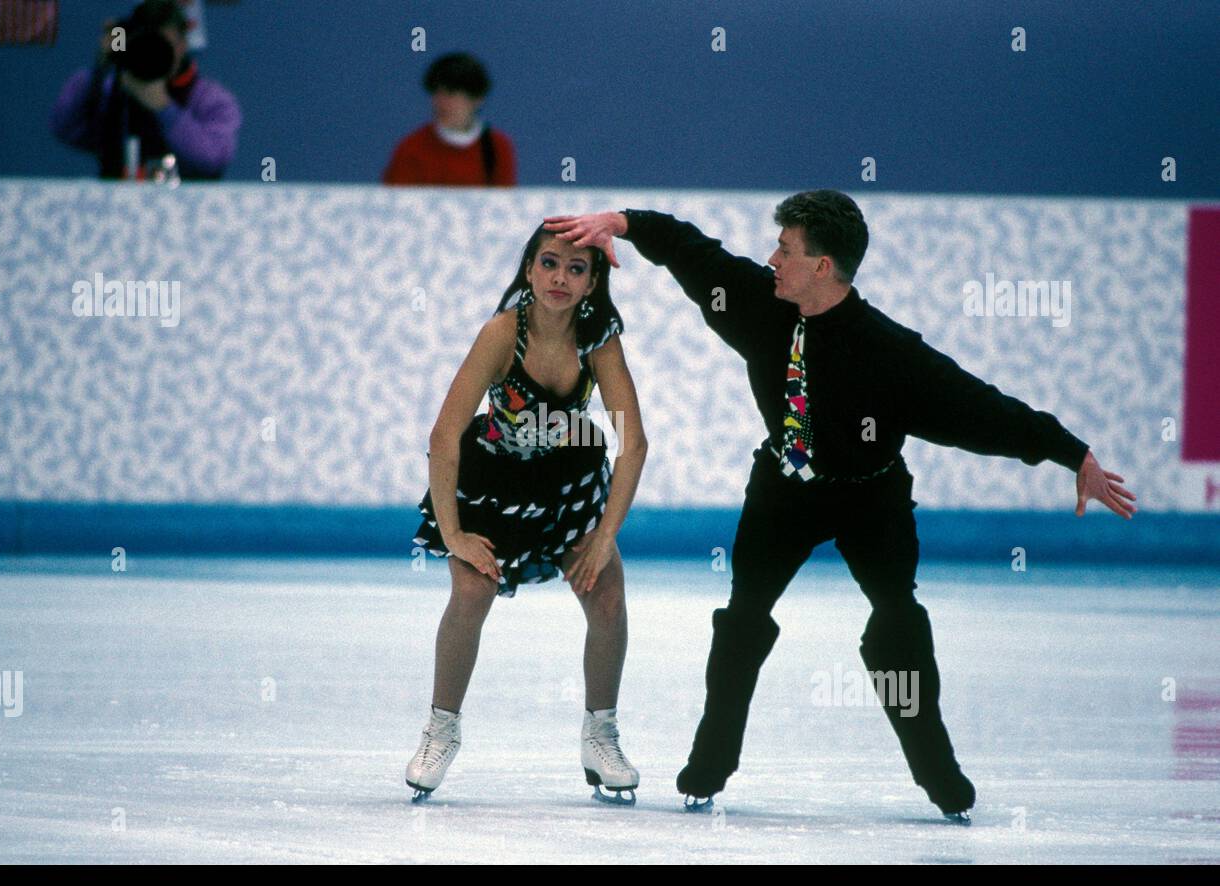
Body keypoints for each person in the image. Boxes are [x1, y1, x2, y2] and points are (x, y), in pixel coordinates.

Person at [543, 191, 1137, 822]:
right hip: (783, 491)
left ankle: (937, 770)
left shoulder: (889, 351)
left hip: (870, 499)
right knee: (743, 616)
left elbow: (980, 407)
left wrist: (1071, 454)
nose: (772, 259)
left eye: (786, 250)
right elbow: (694, 253)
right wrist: (625, 225)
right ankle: (710, 763)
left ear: (822, 267)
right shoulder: (757, 302)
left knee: (898, 620)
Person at [406, 224, 648, 803]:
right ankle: (440, 730)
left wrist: (603, 536)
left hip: (568, 484)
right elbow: (444, 437)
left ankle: (601, 734)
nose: (560, 278)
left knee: (608, 595)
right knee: (471, 592)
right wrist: (454, 533)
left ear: (593, 281)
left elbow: (632, 443)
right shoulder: (501, 333)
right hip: (494, 486)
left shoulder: (598, 338)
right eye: (549, 263)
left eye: (576, 268)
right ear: (529, 269)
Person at [50, 0, 241, 180]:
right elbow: (65, 128)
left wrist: (164, 108)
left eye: (164, 45)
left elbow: (212, 159)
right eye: (148, 44)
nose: (154, 53)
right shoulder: (113, 89)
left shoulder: (211, 99)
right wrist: (103, 66)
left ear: (183, 45)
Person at [382, 52, 517, 186]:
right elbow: (395, 204)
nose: (441, 103)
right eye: (436, 93)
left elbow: (502, 204)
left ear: (477, 99)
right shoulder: (411, 149)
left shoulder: (497, 147)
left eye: (451, 94)